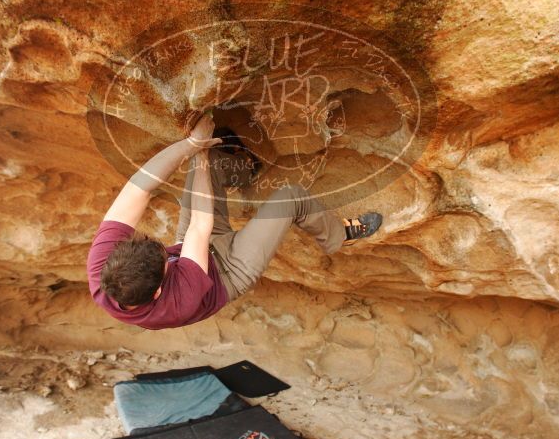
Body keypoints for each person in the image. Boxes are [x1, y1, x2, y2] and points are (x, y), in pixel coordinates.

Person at [86, 111, 382, 330]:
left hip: (189, 249)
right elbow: (200, 226)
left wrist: (192, 143)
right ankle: (338, 236)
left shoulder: (103, 269)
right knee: (290, 198)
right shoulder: (178, 303)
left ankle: (246, 170)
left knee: (212, 161)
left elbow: (139, 186)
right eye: (165, 262)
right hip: (228, 274)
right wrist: (199, 151)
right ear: (159, 290)